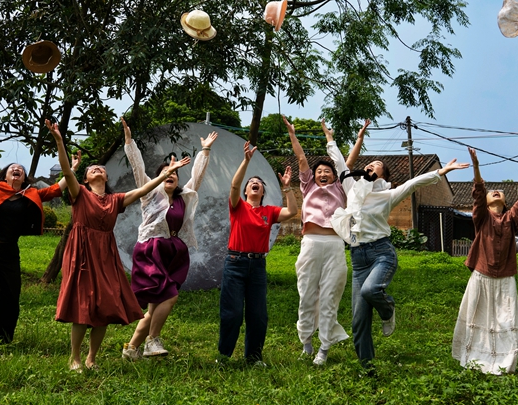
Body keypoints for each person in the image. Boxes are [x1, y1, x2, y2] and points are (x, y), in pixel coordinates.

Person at [48, 119, 192, 371]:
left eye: (101, 168)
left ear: (106, 176)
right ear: (86, 178)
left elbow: (144, 189)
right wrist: (59, 141)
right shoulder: (80, 192)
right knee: (82, 306)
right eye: (92, 169)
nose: (97, 169)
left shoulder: (115, 199)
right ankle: (75, 358)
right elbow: (67, 172)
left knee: (104, 306)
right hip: (82, 252)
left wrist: (165, 174)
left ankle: (91, 358)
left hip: (105, 253)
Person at [327, 121, 468, 366]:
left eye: (377, 165)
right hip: (358, 257)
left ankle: (388, 309)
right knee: (358, 320)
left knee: (371, 291)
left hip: (381, 253)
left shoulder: (388, 195)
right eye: (370, 163)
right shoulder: (352, 188)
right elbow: (340, 163)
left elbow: (414, 183)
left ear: (383, 175)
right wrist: (330, 139)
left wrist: (441, 172)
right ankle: (367, 366)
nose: (372, 164)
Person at [0, 145, 81, 343]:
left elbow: (56, 188)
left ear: (23, 178)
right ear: (5, 176)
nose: (16, 169)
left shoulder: (31, 194)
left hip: (10, 252)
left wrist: (72, 169)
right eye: (12, 167)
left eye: (20, 169)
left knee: (10, 299)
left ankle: (3, 340)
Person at [452, 148, 518, 375]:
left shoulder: (511, 219)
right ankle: (474, 356)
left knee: (507, 319)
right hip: (481, 276)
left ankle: (504, 360)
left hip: (505, 279)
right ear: (487, 202)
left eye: (499, 191)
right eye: (492, 192)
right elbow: (478, 192)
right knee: (476, 316)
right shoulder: (481, 217)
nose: (496, 191)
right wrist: (476, 166)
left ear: (506, 201)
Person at [121, 118, 218, 360]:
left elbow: (197, 176)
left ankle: (131, 349)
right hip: (150, 250)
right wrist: (129, 142)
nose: (171, 174)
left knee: (155, 306)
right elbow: (137, 168)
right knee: (170, 295)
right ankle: (152, 341)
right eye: (166, 172)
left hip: (174, 252)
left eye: (174, 172)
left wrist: (205, 150)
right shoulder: (149, 193)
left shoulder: (184, 196)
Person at [218, 141, 298, 366]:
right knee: (232, 313)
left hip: (258, 267)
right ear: (246, 191)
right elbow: (234, 186)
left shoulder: (269, 211)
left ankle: (253, 357)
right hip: (235, 263)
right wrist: (246, 162)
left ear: (263, 192)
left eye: (259, 183)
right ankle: (224, 356)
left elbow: (292, 211)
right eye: (251, 183)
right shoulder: (238, 207)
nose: (255, 183)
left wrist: (287, 188)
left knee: (258, 316)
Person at [282, 116, 350, 366]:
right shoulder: (308, 186)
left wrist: (333, 138)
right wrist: (292, 134)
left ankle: (325, 347)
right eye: (319, 171)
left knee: (330, 295)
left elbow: (346, 164)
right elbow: (301, 159)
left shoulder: (341, 188)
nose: (322, 173)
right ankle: (306, 343)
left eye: (327, 171)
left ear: (334, 176)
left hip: (334, 245)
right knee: (307, 293)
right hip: (310, 243)